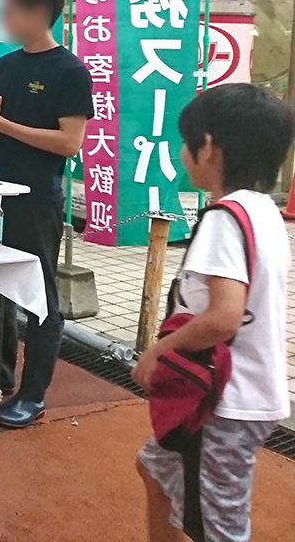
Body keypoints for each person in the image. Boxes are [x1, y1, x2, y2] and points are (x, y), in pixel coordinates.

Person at [133, 84, 293, 542]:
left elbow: (224, 317)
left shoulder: (224, 220)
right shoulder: (263, 211)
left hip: (224, 403)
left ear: (207, 147)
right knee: (155, 468)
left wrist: (159, 350)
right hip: (234, 396)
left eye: (186, 143)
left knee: (218, 527)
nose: (183, 153)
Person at [0, 0, 93, 428]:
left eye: (10, 10)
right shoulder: (4, 66)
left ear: (37, 13)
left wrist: (1, 125)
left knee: (38, 298)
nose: (3, 18)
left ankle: (34, 394)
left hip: (37, 199)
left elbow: (69, 143)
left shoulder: (70, 71)